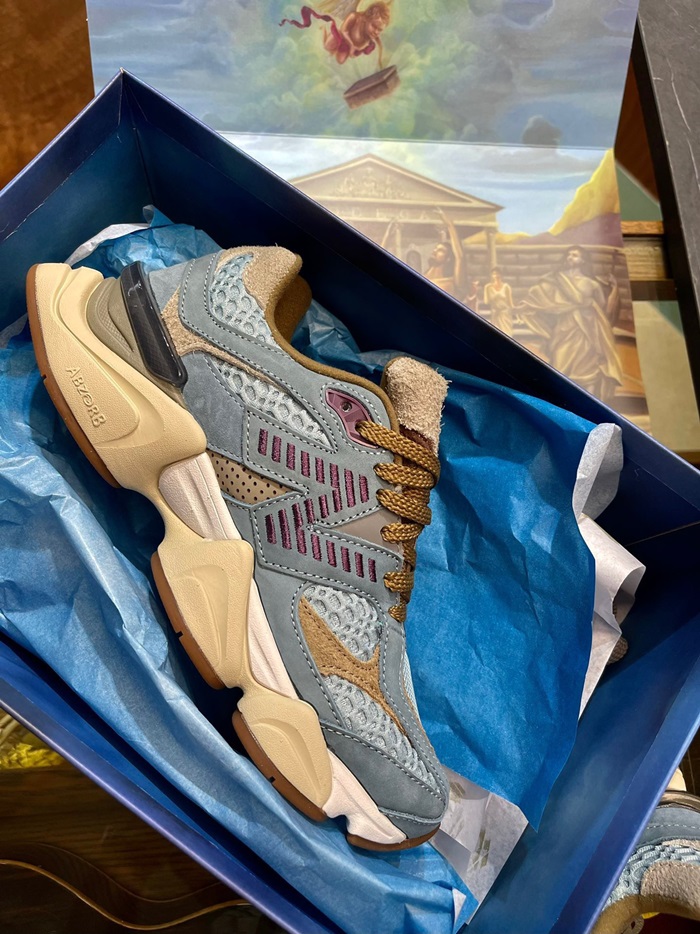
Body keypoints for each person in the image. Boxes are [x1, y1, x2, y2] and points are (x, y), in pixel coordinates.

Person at [518, 246, 623, 404]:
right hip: (564, 328)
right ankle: (559, 402)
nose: (570, 257)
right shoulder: (556, 279)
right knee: (560, 363)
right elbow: (540, 294)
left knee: (587, 369)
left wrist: (614, 290)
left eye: (575, 255)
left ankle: (590, 405)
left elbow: (602, 309)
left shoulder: (591, 284)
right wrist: (528, 303)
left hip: (588, 331)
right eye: (569, 254)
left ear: (582, 260)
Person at [425, 209, 463, 298]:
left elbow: (459, 257)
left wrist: (449, 225)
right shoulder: (422, 276)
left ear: (448, 258)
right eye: (435, 249)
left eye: (440, 250)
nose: (435, 251)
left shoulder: (450, 280)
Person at [483, 267, 513, 335]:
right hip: (495, 314)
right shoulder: (488, 287)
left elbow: (510, 303)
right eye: (494, 274)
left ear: (501, 275)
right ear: (492, 276)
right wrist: (486, 289)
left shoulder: (506, 287)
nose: (496, 276)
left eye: (498, 274)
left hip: (505, 314)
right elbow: (486, 302)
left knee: (507, 334)